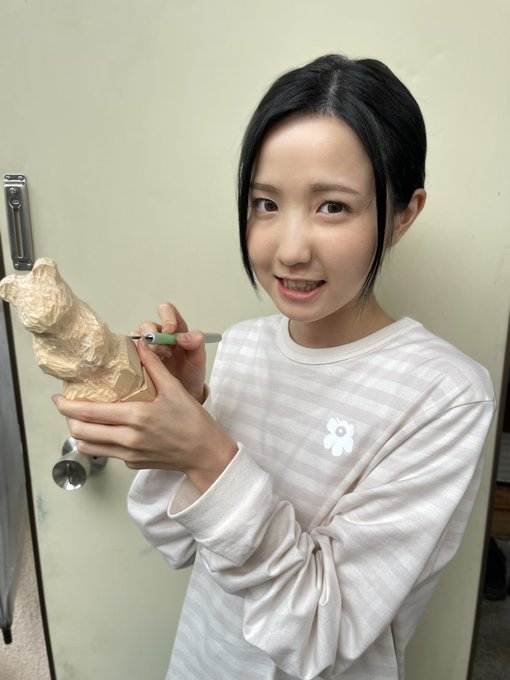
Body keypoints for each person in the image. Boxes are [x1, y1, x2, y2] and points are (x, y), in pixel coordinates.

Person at [53, 54, 495, 679]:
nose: (288, 249)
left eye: (332, 206)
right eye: (265, 203)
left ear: (403, 214)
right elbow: (172, 539)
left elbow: (321, 635)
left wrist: (207, 453)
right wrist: (182, 413)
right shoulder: (245, 345)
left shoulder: (445, 396)